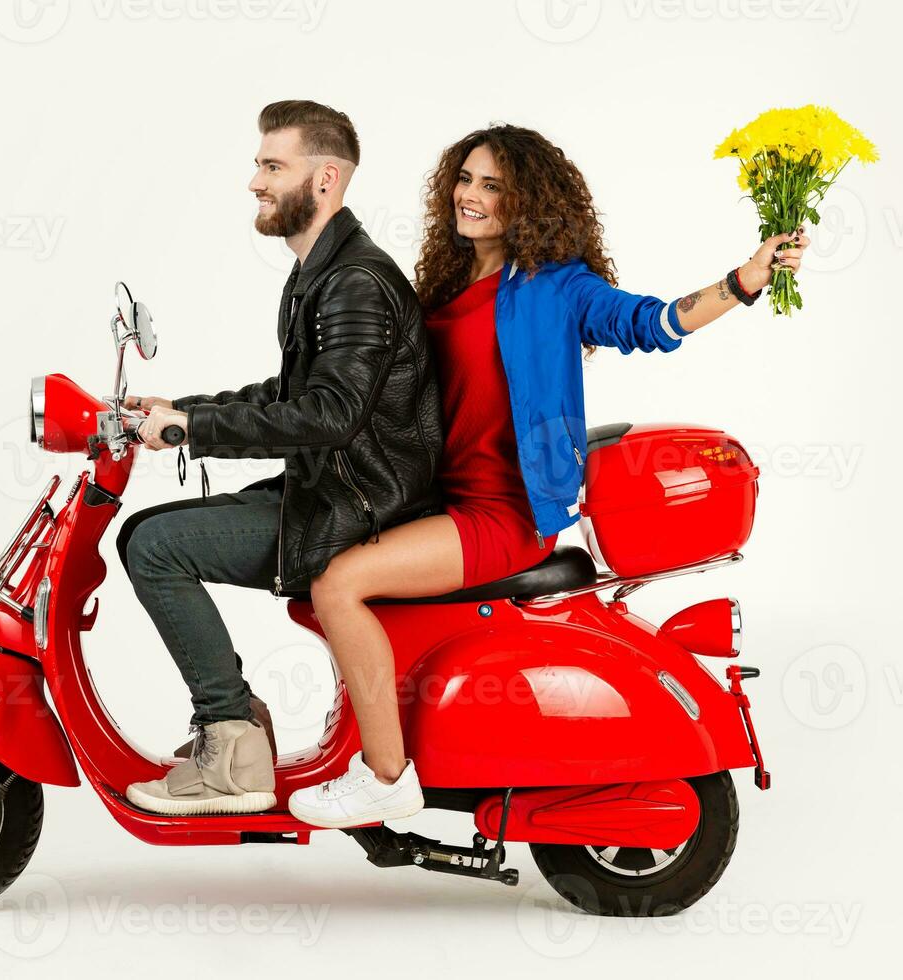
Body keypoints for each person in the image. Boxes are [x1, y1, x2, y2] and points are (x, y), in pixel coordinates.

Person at [285, 124, 810, 828]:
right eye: (464, 179)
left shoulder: (556, 286)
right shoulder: (445, 281)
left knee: (339, 584)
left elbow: (653, 322)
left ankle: (384, 776)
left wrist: (743, 280)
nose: (469, 196)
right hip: (430, 500)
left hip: (501, 514)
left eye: (491, 186)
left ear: (528, 200)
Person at [119, 100, 443, 816]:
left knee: (155, 546)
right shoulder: (321, 272)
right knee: (148, 532)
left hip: (357, 508)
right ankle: (237, 722)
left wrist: (189, 431)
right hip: (335, 489)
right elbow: (288, 393)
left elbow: (327, 417)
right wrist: (179, 408)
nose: (255, 182)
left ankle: (232, 750)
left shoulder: (355, 281)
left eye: (272, 165)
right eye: (258, 164)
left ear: (324, 179)